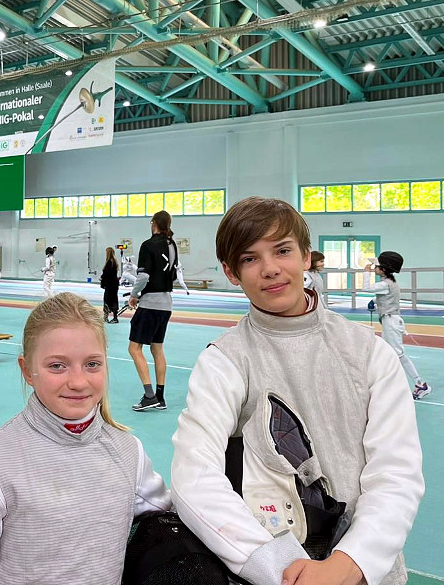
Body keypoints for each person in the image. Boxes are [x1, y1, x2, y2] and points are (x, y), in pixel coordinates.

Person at [171, 197, 424, 585]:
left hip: (365, 572)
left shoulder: (369, 354)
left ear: (306, 256)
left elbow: (396, 474)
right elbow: (194, 475)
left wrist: (349, 563)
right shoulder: (225, 361)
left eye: (283, 250)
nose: (270, 268)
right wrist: (279, 565)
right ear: (231, 272)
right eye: (250, 258)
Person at [0, 292, 170, 583]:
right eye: (57, 366)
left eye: (92, 364)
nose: (78, 382)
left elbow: (172, 516)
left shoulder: (128, 452)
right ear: (27, 370)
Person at [128, 211, 178, 412]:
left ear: (154, 223)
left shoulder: (148, 245)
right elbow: (173, 275)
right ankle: (160, 397)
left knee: (134, 348)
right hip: (166, 304)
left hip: (150, 304)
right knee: (157, 349)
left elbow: (143, 276)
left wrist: (134, 294)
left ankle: (149, 396)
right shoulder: (172, 245)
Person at [365, 252, 430, 400]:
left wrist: (366, 273)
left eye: (376, 266)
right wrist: (374, 301)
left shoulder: (385, 284)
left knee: (398, 354)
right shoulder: (389, 283)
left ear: (383, 269)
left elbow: (366, 288)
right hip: (390, 320)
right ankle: (386, 384)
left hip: (391, 322)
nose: (374, 268)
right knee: (387, 352)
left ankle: (420, 384)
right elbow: (386, 295)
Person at [100, 246, 120, 323]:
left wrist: (102, 280)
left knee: (107, 299)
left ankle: (106, 317)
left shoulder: (109, 263)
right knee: (114, 299)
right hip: (114, 284)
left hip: (110, 284)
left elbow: (107, 274)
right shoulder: (114, 262)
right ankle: (115, 317)